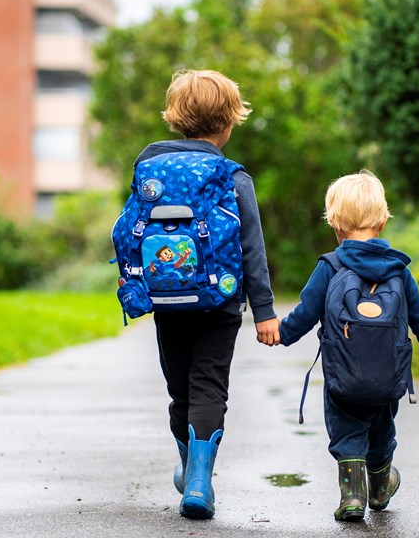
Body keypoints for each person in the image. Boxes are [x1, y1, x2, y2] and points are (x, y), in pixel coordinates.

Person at [259, 171, 419, 521]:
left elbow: (306, 312)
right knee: (382, 433)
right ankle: (379, 489)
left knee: (347, 433)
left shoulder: (331, 266)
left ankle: (351, 497)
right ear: (382, 220)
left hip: (343, 379)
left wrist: (280, 334)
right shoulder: (399, 270)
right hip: (387, 379)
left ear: (335, 223)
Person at [134, 69, 280, 519]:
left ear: (175, 118)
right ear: (229, 122)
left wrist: (135, 283)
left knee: (179, 388)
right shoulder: (232, 177)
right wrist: (265, 312)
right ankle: (199, 482)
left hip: (167, 300)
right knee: (209, 385)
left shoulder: (148, 167)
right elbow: (251, 247)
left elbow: (132, 233)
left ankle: (188, 466)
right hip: (220, 303)